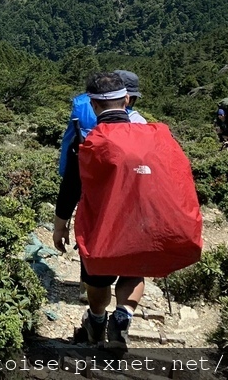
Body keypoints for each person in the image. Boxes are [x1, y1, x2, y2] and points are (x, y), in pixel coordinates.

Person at [53, 71, 145, 350]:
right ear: (127, 99)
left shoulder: (88, 145)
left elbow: (71, 187)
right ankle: (124, 314)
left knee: (97, 277)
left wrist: (60, 225)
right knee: (133, 274)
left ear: (93, 106)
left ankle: (96, 319)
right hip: (138, 221)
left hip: (99, 222)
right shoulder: (148, 135)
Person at [58, 69, 146, 175]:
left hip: (81, 172)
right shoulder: (137, 121)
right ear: (127, 98)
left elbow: (68, 139)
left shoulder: (82, 104)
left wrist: (65, 171)